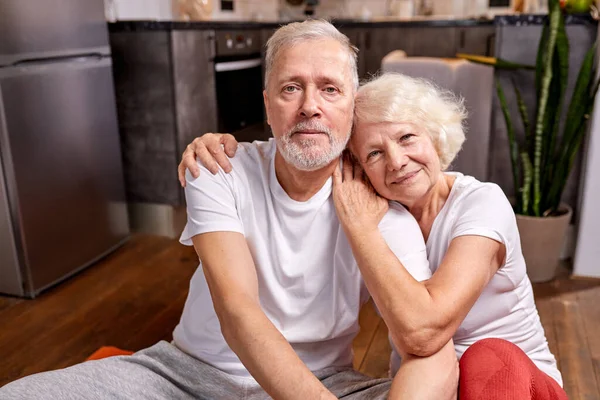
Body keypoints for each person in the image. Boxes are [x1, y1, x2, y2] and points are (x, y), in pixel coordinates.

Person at [0, 21, 458, 400]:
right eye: (291, 88)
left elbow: (424, 339)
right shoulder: (217, 169)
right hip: (186, 377)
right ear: (268, 104)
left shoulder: (381, 210)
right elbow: (238, 311)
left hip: (324, 383)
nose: (309, 107)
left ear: (351, 108)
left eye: (330, 89)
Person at [179, 73, 568, 400]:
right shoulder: (385, 216)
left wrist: (361, 228)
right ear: (357, 168)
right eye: (375, 154)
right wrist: (210, 144)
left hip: (516, 382)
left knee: (485, 357)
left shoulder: (482, 203)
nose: (397, 161)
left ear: (435, 136)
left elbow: (423, 331)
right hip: (440, 388)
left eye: (407, 138)